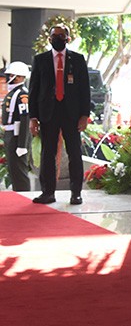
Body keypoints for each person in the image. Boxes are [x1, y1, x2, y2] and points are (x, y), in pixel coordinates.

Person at [28, 24, 90, 205]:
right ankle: (47, 193)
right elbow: (34, 90)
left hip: (72, 114)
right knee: (48, 154)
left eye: (61, 36)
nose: (58, 38)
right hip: (48, 113)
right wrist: (33, 117)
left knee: (74, 153)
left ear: (68, 39)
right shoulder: (40, 60)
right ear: (49, 39)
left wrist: (84, 115)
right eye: (54, 35)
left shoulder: (77, 60)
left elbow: (85, 89)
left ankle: (76, 193)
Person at [2, 61, 31, 191]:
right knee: (13, 169)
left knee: (20, 171)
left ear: (20, 76)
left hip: (17, 136)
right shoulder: (13, 93)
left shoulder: (22, 94)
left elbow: (25, 120)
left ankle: (24, 196)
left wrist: (22, 145)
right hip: (10, 134)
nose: (8, 78)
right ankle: (17, 194)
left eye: (11, 75)